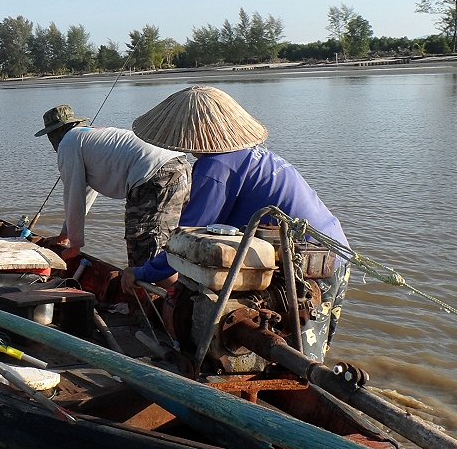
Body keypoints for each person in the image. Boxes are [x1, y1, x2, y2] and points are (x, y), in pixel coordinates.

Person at [121, 85, 351, 356]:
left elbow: (187, 239)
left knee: (300, 358)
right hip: (333, 251)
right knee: (308, 345)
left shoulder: (215, 167)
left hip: (310, 263)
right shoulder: (255, 155)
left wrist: (142, 273)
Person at [34, 104, 191, 266]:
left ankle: (158, 289)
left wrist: (74, 246)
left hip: (154, 176)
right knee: (177, 241)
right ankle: (183, 286)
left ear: (54, 133)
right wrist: (66, 235)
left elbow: (74, 198)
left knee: (145, 255)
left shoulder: (68, 143)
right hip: (180, 165)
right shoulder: (89, 138)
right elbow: (84, 197)